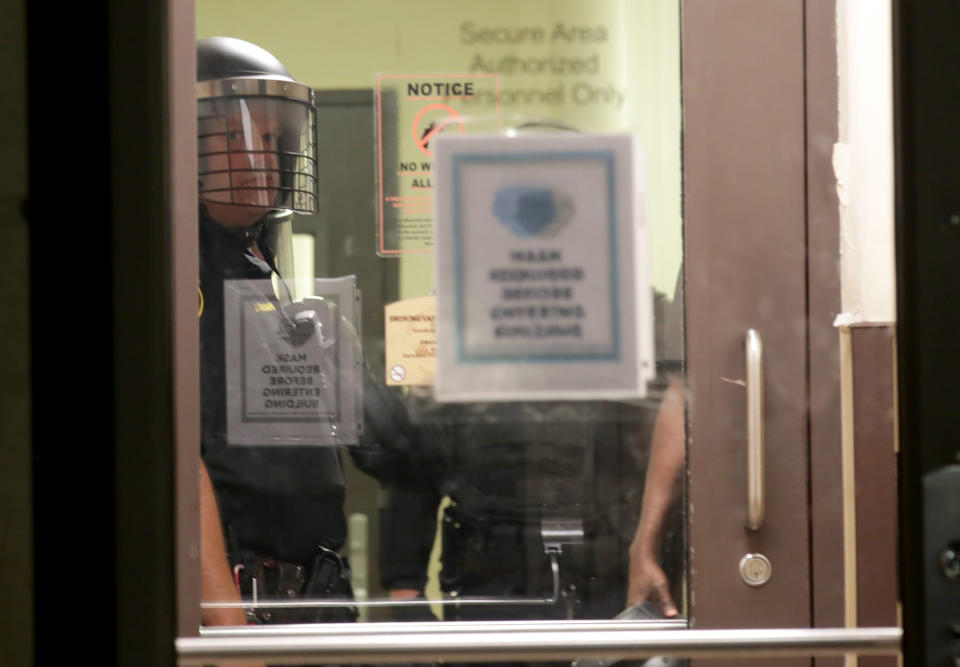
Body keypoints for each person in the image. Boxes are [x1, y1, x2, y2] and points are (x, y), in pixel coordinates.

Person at [194, 36, 418, 630]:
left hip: (316, 601)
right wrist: (227, 630)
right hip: (241, 610)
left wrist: (344, 361)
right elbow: (177, 467)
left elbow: (398, 456)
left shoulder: (262, 278)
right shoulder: (170, 272)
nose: (263, 157)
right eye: (243, 138)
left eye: (273, 140)